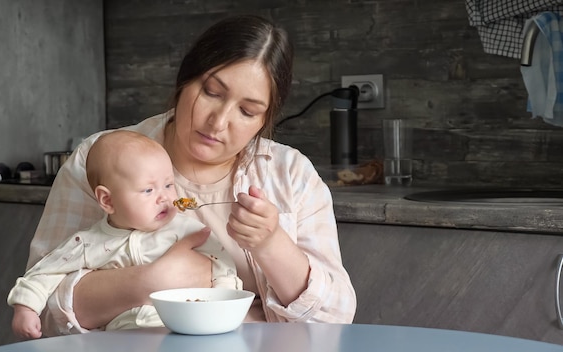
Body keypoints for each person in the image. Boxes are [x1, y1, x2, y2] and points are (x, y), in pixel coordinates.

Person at [26, 14, 356, 337]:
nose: (218, 121)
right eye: (212, 92)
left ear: (264, 119)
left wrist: (271, 244)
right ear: (185, 79)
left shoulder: (290, 174)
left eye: (247, 111)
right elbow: (40, 310)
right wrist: (152, 282)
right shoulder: (99, 159)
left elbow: (335, 319)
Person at [8, 130, 241, 339]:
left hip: (186, 332)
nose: (164, 197)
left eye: (168, 185)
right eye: (148, 190)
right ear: (107, 200)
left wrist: (225, 302)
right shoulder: (88, 243)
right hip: (121, 339)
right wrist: (26, 308)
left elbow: (221, 262)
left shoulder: (186, 230)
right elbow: (46, 271)